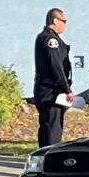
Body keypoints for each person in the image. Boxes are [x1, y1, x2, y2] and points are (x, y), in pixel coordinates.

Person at [34, 8, 73, 147]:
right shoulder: (51, 40)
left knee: (47, 126)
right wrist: (67, 89)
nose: (65, 25)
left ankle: (43, 158)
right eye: (64, 21)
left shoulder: (44, 37)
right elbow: (56, 66)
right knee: (52, 129)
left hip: (47, 90)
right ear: (55, 20)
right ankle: (49, 159)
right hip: (51, 91)